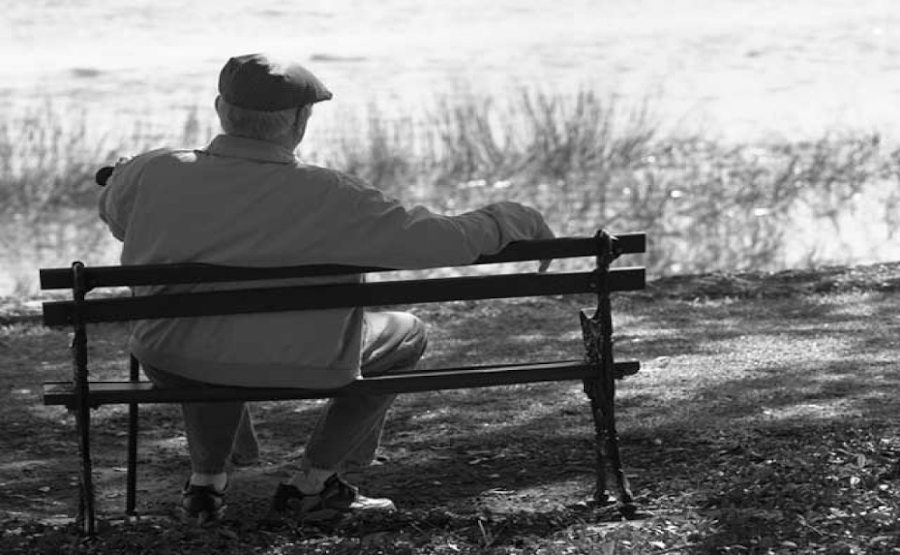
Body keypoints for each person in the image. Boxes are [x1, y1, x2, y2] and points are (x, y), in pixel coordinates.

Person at [98, 52, 555, 524]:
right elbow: (441, 240)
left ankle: (206, 488)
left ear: (220, 107)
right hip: (299, 361)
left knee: (209, 335)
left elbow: (116, 219)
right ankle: (314, 486)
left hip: (172, 358)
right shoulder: (333, 194)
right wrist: (511, 217)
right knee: (408, 332)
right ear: (300, 120)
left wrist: (125, 176)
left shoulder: (152, 170)